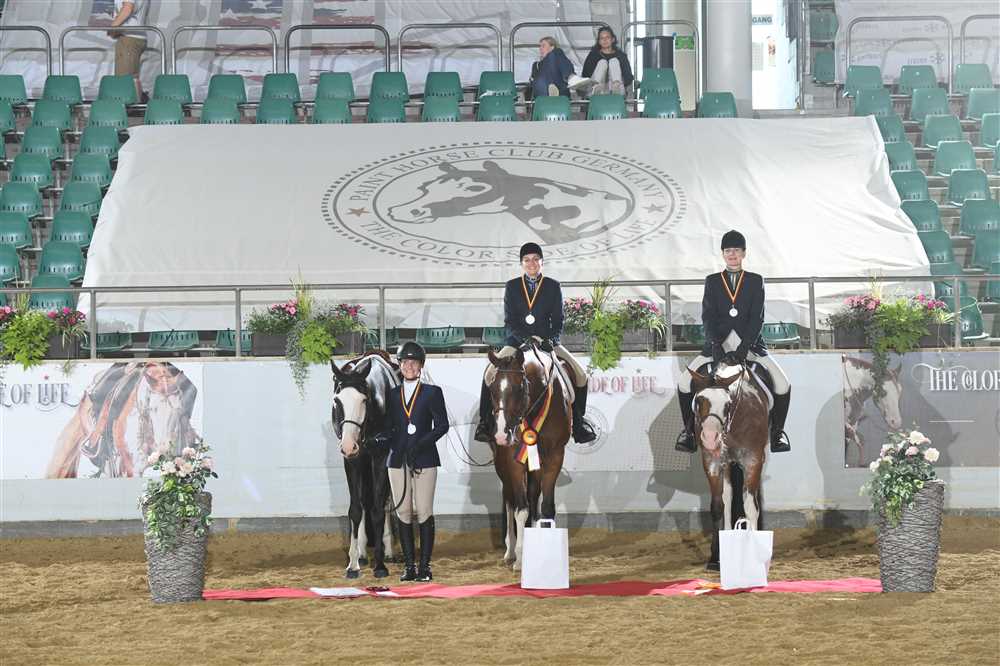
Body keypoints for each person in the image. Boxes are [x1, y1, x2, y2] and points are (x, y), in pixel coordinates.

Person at [674, 230, 792, 454]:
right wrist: (716, 345)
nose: (732, 254)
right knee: (683, 383)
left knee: (783, 384)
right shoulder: (712, 281)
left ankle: (777, 433)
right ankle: (688, 433)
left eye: (736, 250)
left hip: (750, 345)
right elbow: (708, 316)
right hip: (717, 345)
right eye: (728, 251)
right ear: (723, 254)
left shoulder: (755, 281)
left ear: (744, 253)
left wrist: (744, 347)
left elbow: (757, 317)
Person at [474, 242, 597, 445]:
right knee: (489, 373)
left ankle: (578, 423)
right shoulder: (512, 286)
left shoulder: (553, 286)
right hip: (517, 342)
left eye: (535, 259)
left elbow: (558, 320)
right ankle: (485, 423)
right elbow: (510, 320)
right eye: (527, 260)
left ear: (542, 262)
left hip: (546, 341)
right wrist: (523, 339)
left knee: (581, 375)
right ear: (522, 263)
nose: (531, 263)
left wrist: (550, 340)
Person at [379, 342, 448, 582]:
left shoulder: (432, 392)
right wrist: (380, 438)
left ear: (421, 365)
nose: (409, 366)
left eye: (414, 362)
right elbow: (390, 426)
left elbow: (442, 426)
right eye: (405, 362)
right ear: (400, 365)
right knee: (403, 511)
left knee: (424, 510)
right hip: (397, 459)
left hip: (424, 458)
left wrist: (420, 444)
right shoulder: (392, 395)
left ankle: (425, 567)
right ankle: (409, 566)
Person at [108, 0, 150, 103]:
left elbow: (128, 8)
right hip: (135, 37)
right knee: (132, 79)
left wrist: (112, 28)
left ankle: (134, 107)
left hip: (129, 39)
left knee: (124, 81)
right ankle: (140, 104)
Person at [581, 26, 634, 96]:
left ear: (613, 39)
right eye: (602, 38)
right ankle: (597, 88)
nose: (605, 40)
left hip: (615, 87)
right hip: (596, 88)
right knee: (602, 62)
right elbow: (585, 75)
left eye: (607, 37)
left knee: (614, 61)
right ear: (599, 41)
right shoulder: (593, 55)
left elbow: (628, 78)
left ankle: (616, 87)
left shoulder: (621, 56)